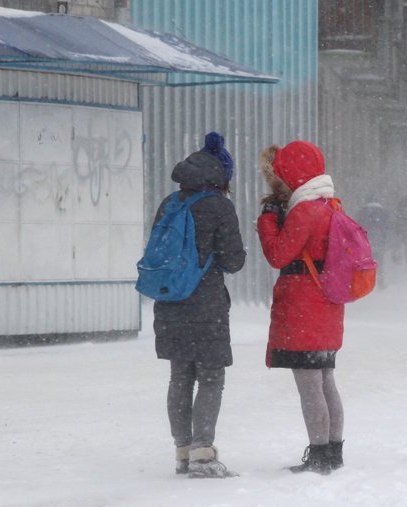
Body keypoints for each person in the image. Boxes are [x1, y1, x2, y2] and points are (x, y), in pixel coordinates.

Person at [152, 132, 246, 478]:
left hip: (170, 300)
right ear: (220, 176)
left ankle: (182, 451)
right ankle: (203, 455)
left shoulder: (170, 202)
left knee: (180, 376)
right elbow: (233, 260)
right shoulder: (220, 206)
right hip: (206, 304)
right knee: (210, 377)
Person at [256, 141, 345, 475]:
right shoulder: (331, 204)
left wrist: (267, 220)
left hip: (303, 307)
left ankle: (320, 455)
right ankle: (333, 451)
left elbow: (278, 254)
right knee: (325, 381)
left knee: (310, 385)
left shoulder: (305, 210)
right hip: (326, 305)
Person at [357, 197, 389, 286]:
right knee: (379, 262)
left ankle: (366, 283)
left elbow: (357, 226)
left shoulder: (363, 211)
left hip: (366, 241)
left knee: (366, 263)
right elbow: (386, 226)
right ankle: (380, 282)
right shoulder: (382, 212)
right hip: (379, 240)